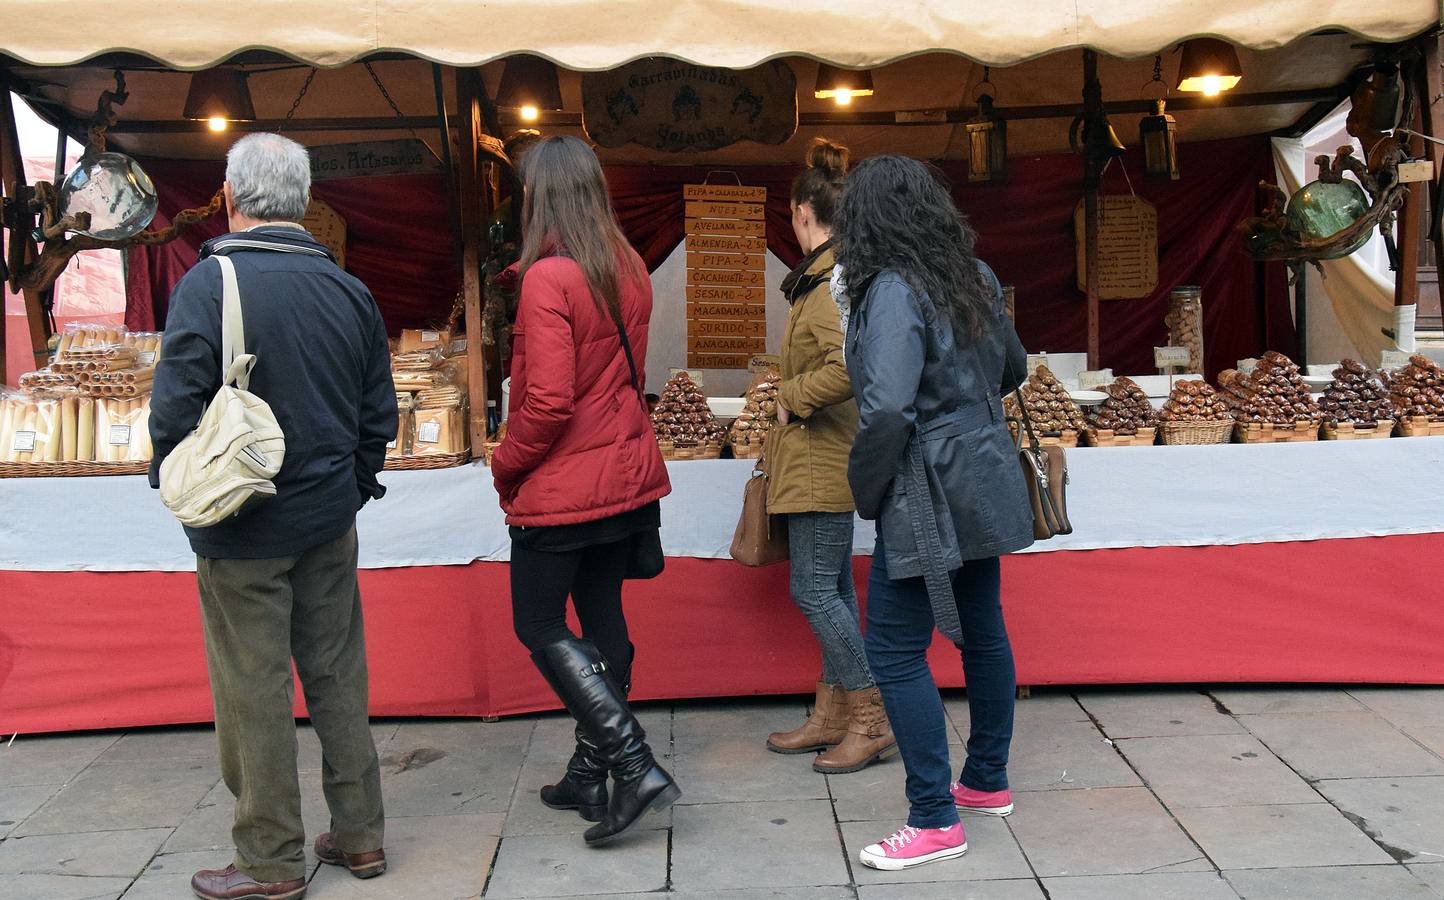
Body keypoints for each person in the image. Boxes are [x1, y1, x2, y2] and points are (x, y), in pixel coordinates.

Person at [149, 133, 397, 900]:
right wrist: (348, 489)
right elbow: (377, 417)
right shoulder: (348, 290)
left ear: (231, 197)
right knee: (337, 676)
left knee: (252, 688)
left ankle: (270, 860)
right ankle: (360, 838)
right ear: (303, 201)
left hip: (241, 526)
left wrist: (176, 484)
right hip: (328, 518)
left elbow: (173, 411)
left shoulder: (209, 282)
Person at [835, 155, 1034, 871]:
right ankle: (985, 779)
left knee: (891, 647)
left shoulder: (891, 287)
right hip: (981, 463)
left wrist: (867, 487)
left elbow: (887, 406)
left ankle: (933, 815)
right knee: (983, 631)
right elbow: (1012, 369)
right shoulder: (972, 274)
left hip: (926, 479)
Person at [491, 135, 680, 845]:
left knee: (537, 624)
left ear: (539, 195)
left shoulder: (547, 278)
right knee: (602, 612)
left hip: (567, 479)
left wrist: (506, 464)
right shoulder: (627, 263)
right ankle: (588, 769)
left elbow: (546, 403)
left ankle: (630, 763)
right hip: (624, 471)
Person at [765, 139, 895, 773]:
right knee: (834, 587)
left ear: (799, 212)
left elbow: (848, 365)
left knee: (814, 591)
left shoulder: (830, 282)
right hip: (823, 456)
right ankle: (832, 713)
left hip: (822, 458)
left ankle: (872, 719)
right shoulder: (828, 277)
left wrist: (791, 395)